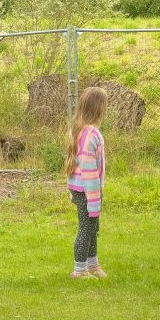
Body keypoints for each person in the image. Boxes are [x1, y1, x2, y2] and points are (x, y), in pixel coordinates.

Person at [64, 86, 108, 279]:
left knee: (92, 227)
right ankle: (79, 270)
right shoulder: (92, 135)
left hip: (81, 189)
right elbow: (89, 170)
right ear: (99, 109)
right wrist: (94, 199)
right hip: (88, 190)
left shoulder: (79, 130)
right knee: (86, 228)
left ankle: (93, 265)